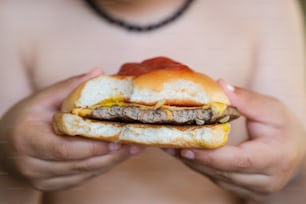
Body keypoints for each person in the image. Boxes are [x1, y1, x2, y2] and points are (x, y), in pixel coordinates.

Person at [0, 0, 305, 203]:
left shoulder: (266, 8)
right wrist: (6, 160)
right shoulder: (14, 11)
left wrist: (294, 170)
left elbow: (293, 186)